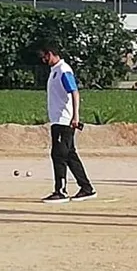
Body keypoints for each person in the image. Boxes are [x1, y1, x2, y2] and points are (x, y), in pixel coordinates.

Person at [39, 44, 96, 204]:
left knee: (58, 155)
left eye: (44, 56)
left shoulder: (63, 70)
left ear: (50, 54)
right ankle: (86, 188)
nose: (43, 60)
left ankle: (60, 191)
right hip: (58, 120)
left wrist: (75, 116)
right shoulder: (54, 72)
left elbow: (75, 92)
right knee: (69, 154)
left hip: (64, 121)